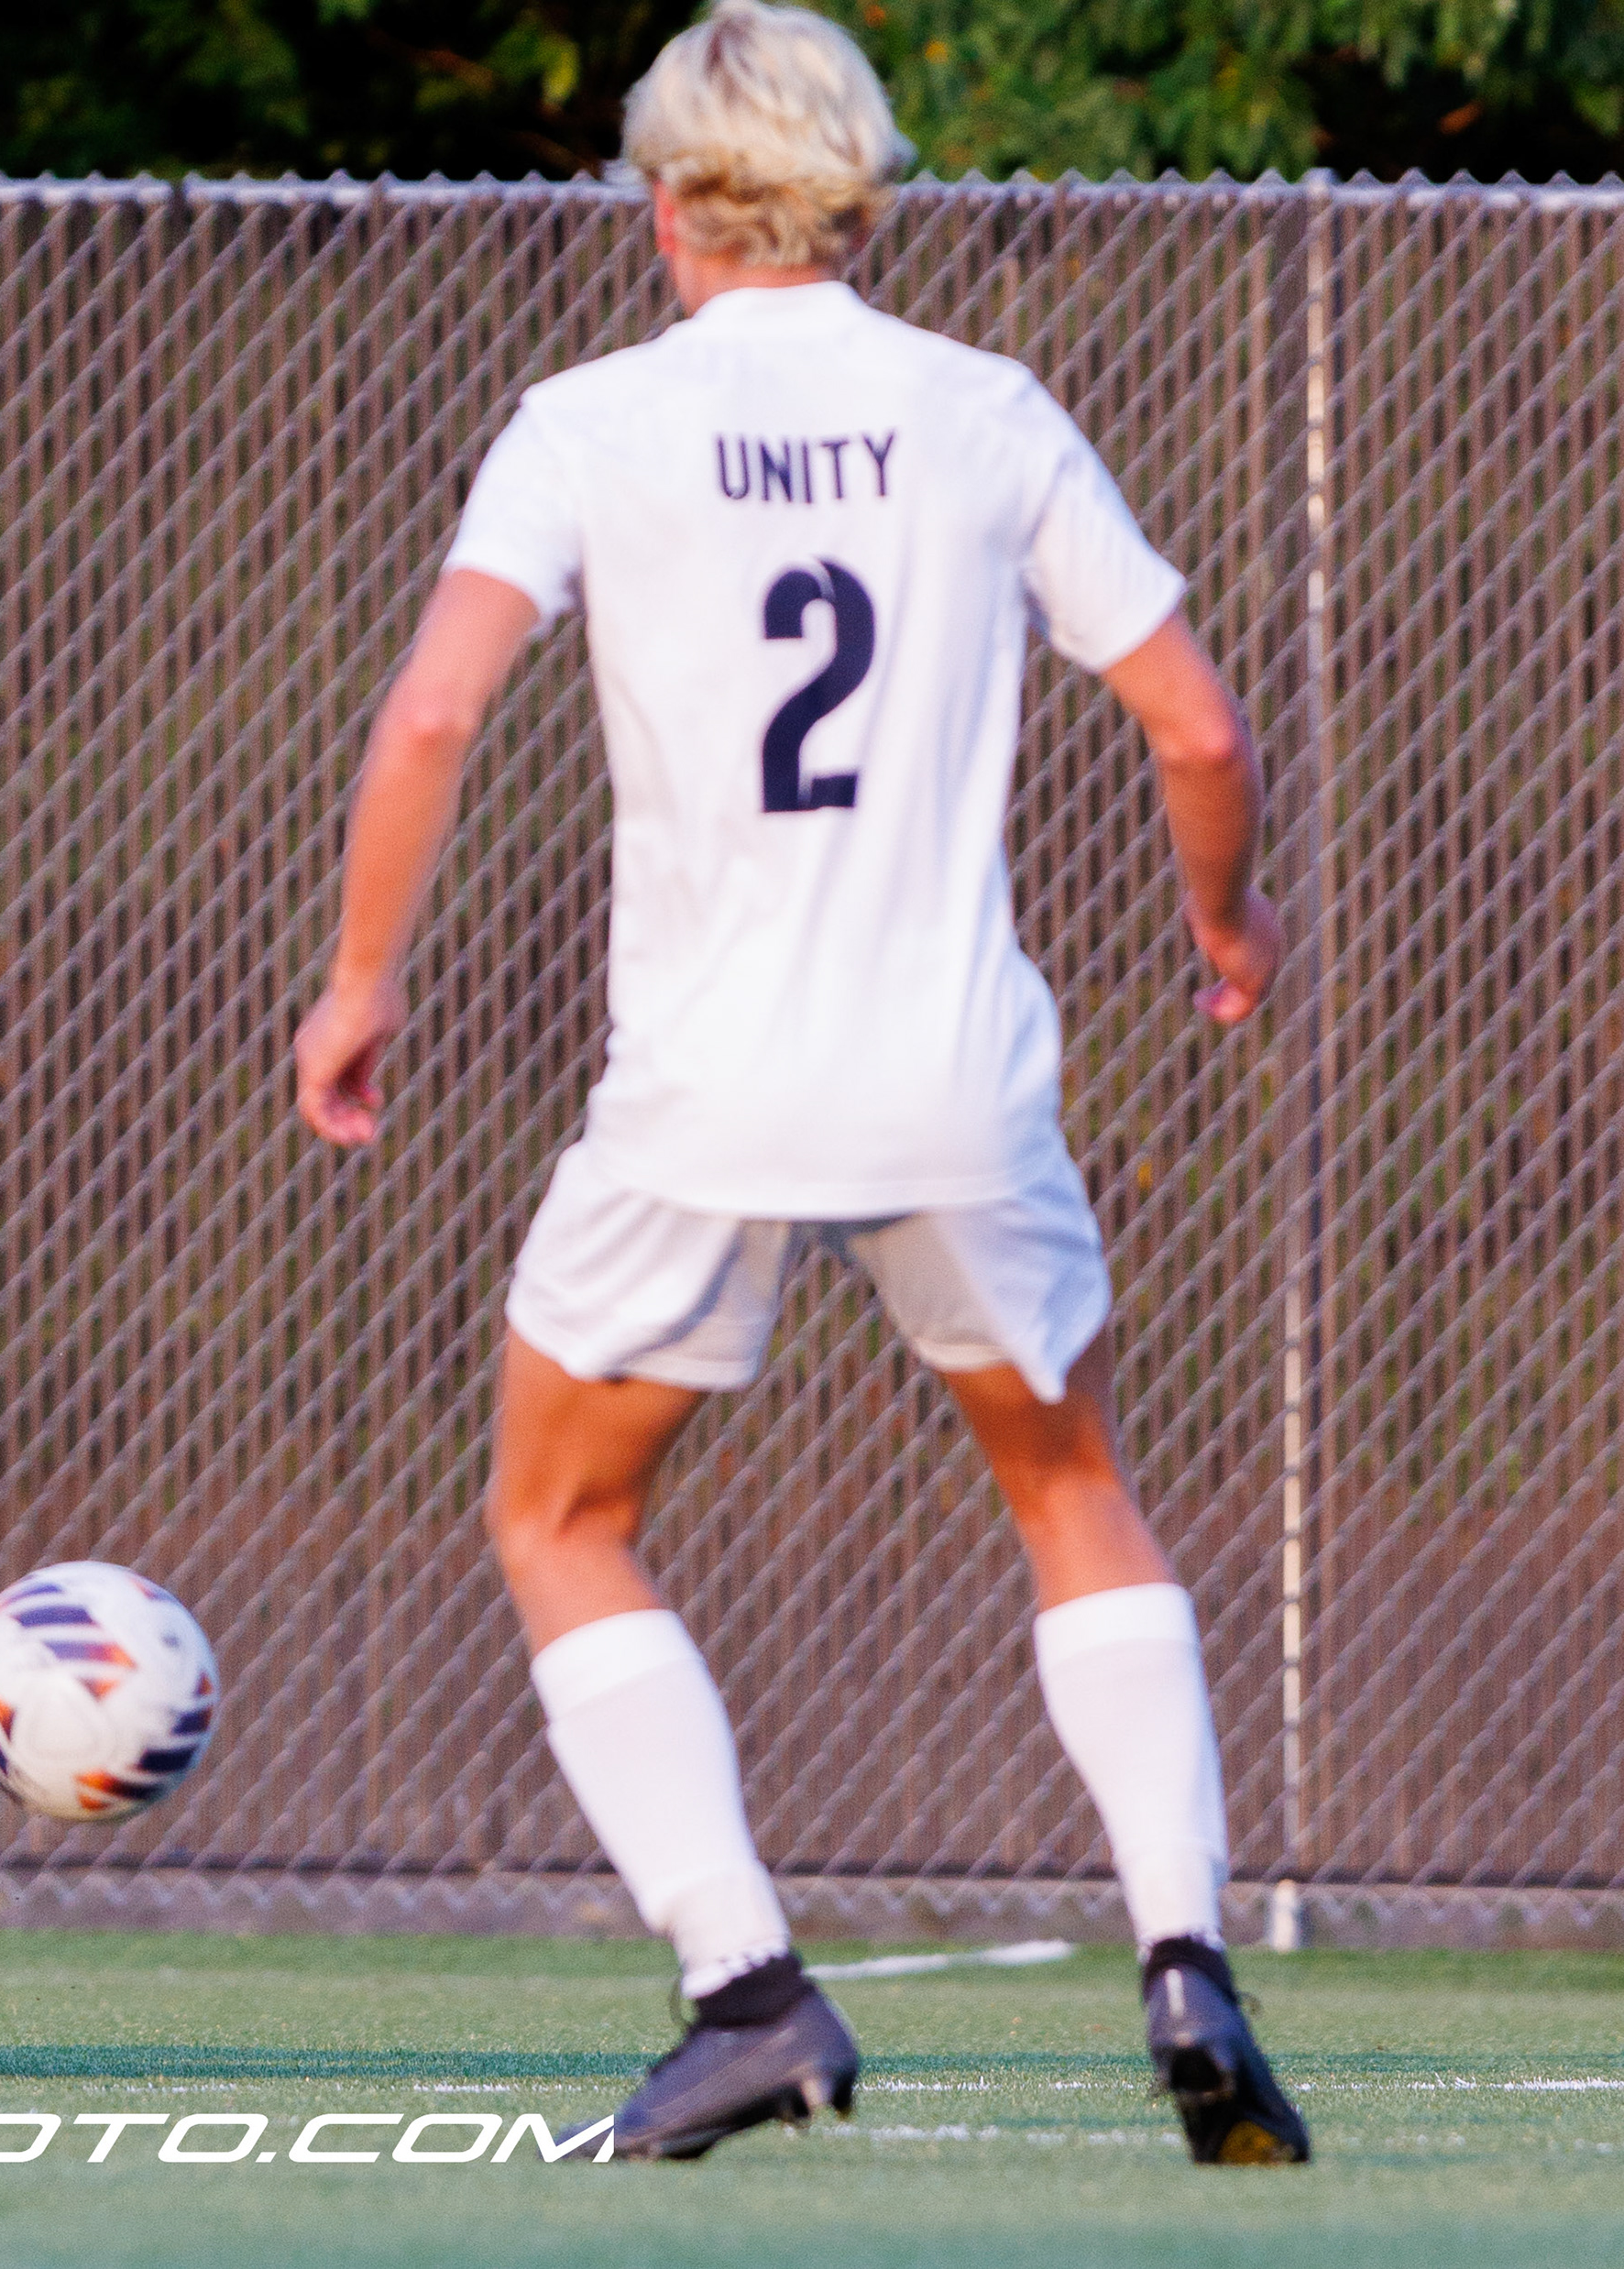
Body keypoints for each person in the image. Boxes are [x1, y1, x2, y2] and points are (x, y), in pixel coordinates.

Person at [290, 2, 1304, 2166]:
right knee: (1072, 1492)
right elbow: (1199, 727)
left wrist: (360, 980)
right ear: (859, 198)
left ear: (667, 202)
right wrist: (1224, 926)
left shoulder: (587, 421)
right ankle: (1184, 1955)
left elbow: (431, 715)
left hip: (705, 1093)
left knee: (558, 1517)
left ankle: (749, 1991)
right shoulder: (985, 408)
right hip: (954, 1080)